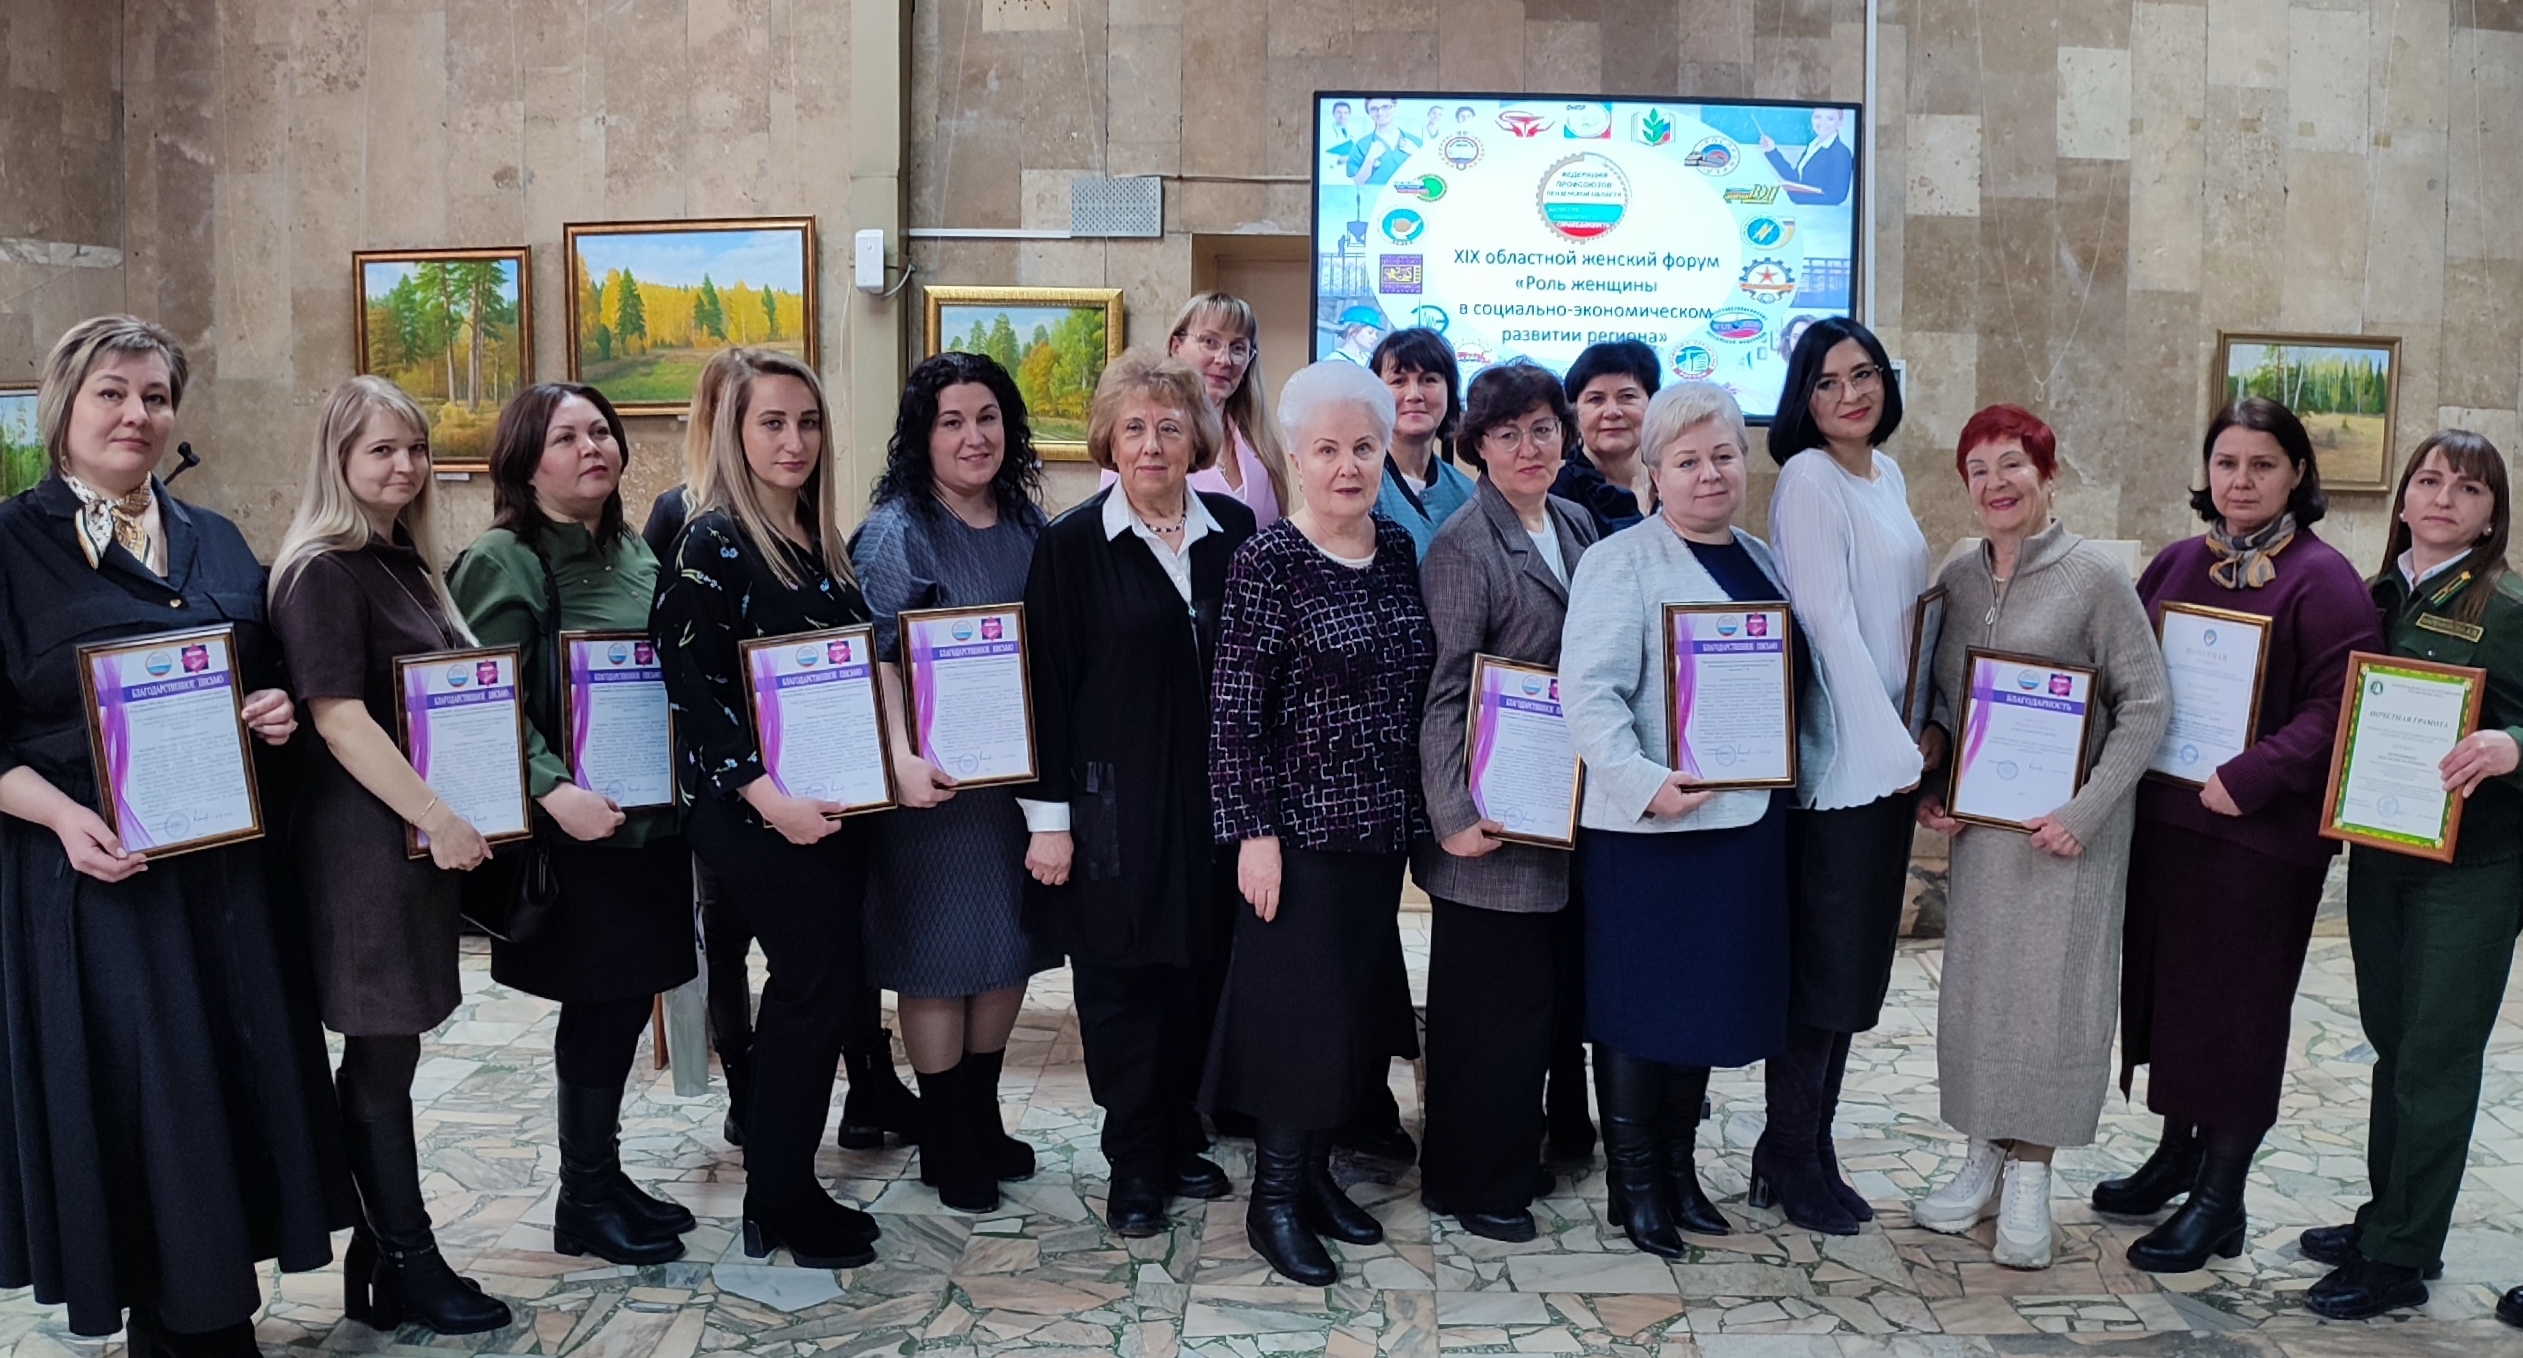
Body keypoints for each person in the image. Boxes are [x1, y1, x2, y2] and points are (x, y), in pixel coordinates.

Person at [0, 317, 345, 1354]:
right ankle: (187, 1327)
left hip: (227, 881)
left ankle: (212, 1309)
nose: (136, 414)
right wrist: (61, 816)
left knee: (231, 1092)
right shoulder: (9, 546)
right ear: (64, 405)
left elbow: (265, 677)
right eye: (111, 392)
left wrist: (272, 712)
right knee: (147, 1103)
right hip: (98, 879)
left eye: (154, 396)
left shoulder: (217, 537)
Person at [2101, 399, 2378, 1273]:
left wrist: (2252, 774)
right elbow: (2123, 672)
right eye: (2226, 463)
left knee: (2237, 1016)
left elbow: (2339, 707)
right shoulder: (2177, 562)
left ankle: (2221, 1199)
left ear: (2297, 473)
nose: (2240, 481)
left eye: (2262, 464)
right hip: (2168, 828)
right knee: (2174, 1000)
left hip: (2259, 843)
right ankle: (2177, 1156)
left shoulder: (2324, 580)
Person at [1560, 381, 1834, 1257]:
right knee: (1637, 1012)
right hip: (1649, 831)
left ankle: (1679, 1174)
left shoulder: (1761, 559)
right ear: (1654, 474)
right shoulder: (1619, 561)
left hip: (1743, 826)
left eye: (1722, 456)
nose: (1708, 474)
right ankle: (1634, 1187)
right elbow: (1586, 693)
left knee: (1702, 1008)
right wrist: (1643, 782)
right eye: (1686, 461)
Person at [266, 375, 511, 1335]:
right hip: (363, 846)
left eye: (415, 448)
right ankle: (407, 1260)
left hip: (408, 841)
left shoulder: (402, 560)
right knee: (379, 1053)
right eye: (381, 450)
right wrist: (439, 815)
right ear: (338, 460)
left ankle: (381, 1260)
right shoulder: (322, 569)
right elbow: (337, 719)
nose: (404, 466)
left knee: (391, 1053)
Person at [1910, 405, 2169, 1270]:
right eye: (1978, 469)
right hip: (1987, 837)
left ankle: (2031, 1171)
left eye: (2012, 464)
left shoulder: (2094, 578)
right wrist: (1938, 783)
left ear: (2047, 475)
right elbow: (1947, 703)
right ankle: (1981, 1153)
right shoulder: (1958, 576)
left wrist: (2083, 812)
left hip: (2067, 839)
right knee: (1982, 994)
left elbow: (2145, 706)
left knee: (2054, 1001)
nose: (1996, 483)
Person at [447, 384, 701, 1265]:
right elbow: (478, 699)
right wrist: (551, 789)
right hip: (579, 832)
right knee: (598, 1008)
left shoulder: (635, 550)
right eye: (565, 437)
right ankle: (582, 1199)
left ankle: (604, 1176)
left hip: (650, 825)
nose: (591, 447)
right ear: (525, 463)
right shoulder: (504, 559)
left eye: (601, 431)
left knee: (625, 1004)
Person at [643, 355, 921, 1156]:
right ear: (733, 433)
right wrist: (771, 803)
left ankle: (783, 1187)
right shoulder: (710, 540)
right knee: (809, 992)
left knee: (823, 990)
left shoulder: (813, 537)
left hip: (824, 804)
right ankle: (779, 1192)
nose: (794, 441)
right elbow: (691, 689)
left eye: (807, 422)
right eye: (771, 423)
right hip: (756, 813)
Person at [1206, 361, 1435, 1285]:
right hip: (1296, 839)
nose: (1348, 466)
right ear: (1295, 457)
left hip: (1377, 835)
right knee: (1294, 1022)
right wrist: (1254, 834)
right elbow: (1234, 711)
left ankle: (1312, 1179)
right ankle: (1272, 1200)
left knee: (1347, 1018)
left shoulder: (1397, 548)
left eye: (1364, 447)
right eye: (1328, 449)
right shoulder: (1267, 561)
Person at [1020, 350, 1255, 1238]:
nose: (1152, 444)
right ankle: (1132, 1161)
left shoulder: (1235, 532)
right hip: (1113, 806)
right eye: (1133, 428)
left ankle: (1179, 1134)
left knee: (1200, 972)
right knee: (1122, 987)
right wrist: (1048, 821)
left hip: (1217, 803)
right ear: (1108, 442)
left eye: (1168, 427)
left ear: (1197, 438)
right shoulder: (1072, 544)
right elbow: (1044, 687)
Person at [2301, 430, 2523, 1321]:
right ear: (2402, 498)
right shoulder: (2373, 595)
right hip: (2382, 856)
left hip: (2473, 870)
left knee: (2434, 1058)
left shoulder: (2506, 607)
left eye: (2466, 488)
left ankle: (2399, 1257)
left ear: (2490, 515)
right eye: (2427, 480)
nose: (2441, 498)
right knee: (2393, 1043)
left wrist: (2513, 745)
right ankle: (2386, 1218)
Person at [850, 351, 1054, 1214]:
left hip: (1012, 785)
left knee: (1007, 946)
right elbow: (874, 658)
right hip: (928, 792)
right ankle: (943, 1133)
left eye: (988, 417)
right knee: (935, 959)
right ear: (921, 436)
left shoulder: (1028, 522)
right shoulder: (897, 531)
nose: (974, 437)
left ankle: (979, 1112)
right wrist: (900, 757)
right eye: (952, 422)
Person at [1414, 363, 1600, 1243]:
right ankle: (1469, 1182)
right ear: (1477, 446)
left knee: (1534, 1008)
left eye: (1542, 428)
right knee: (1485, 1016)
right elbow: (1443, 693)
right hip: (1488, 819)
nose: (1529, 448)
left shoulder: (1573, 521)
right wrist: (1452, 816)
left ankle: (1509, 1158)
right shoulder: (1463, 545)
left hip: (1559, 808)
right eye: (1506, 433)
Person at [1756, 316, 1929, 1235]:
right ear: (1803, 399)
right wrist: (1887, 747)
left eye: (1862, 374)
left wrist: (1917, 736)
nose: (1849, 394)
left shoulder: (1884, 475)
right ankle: (1789, 1153)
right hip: (1844, 765)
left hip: (1890, 756)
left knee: (1854, 974)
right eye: (1826, 382)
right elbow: (1826, 625)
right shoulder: (1807, 478)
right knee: (1821, 976)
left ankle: (1807, 1146)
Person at [1143, 292, 1289, 529]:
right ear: (1176, 347)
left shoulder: (1262, 446)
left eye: (1238, 348)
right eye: (1210, 342)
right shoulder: (1140, 439)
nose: (1224, 360)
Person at [1369, 327, 1474, 559]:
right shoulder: (1359, 483)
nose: (1414, 394)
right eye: (1398, 381)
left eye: (1429, 380)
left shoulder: (1466, 493)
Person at [1556, 339, 1660, 538]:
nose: (1612, 412)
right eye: (1596, 399)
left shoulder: (1673, 479)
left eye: (1627, 396)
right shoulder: (1558, 493)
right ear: (1574, 413)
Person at [1759, 106, 1853, 206]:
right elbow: (1796, 179)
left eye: (1830, 118)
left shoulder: (1841, 152)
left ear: (1840, 122)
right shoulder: (1812, 146)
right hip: (1804, 211)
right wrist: (1772, 151)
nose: (1822, 123)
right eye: (1817, 117)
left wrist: (1796, 197)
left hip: (1821, 214)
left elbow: (1837, 196)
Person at [1346, 95, 1420, 185]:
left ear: (1394, 107)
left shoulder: (1416, 142)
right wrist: (1369, 159)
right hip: (1373, 194)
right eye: (1374, 109)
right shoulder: (1361, 146)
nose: (1380, 113)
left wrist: (1418, 155)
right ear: (1368, 112)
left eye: (1385, 107)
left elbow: (1430, 176)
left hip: (1407, 194)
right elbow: (1357, 183)